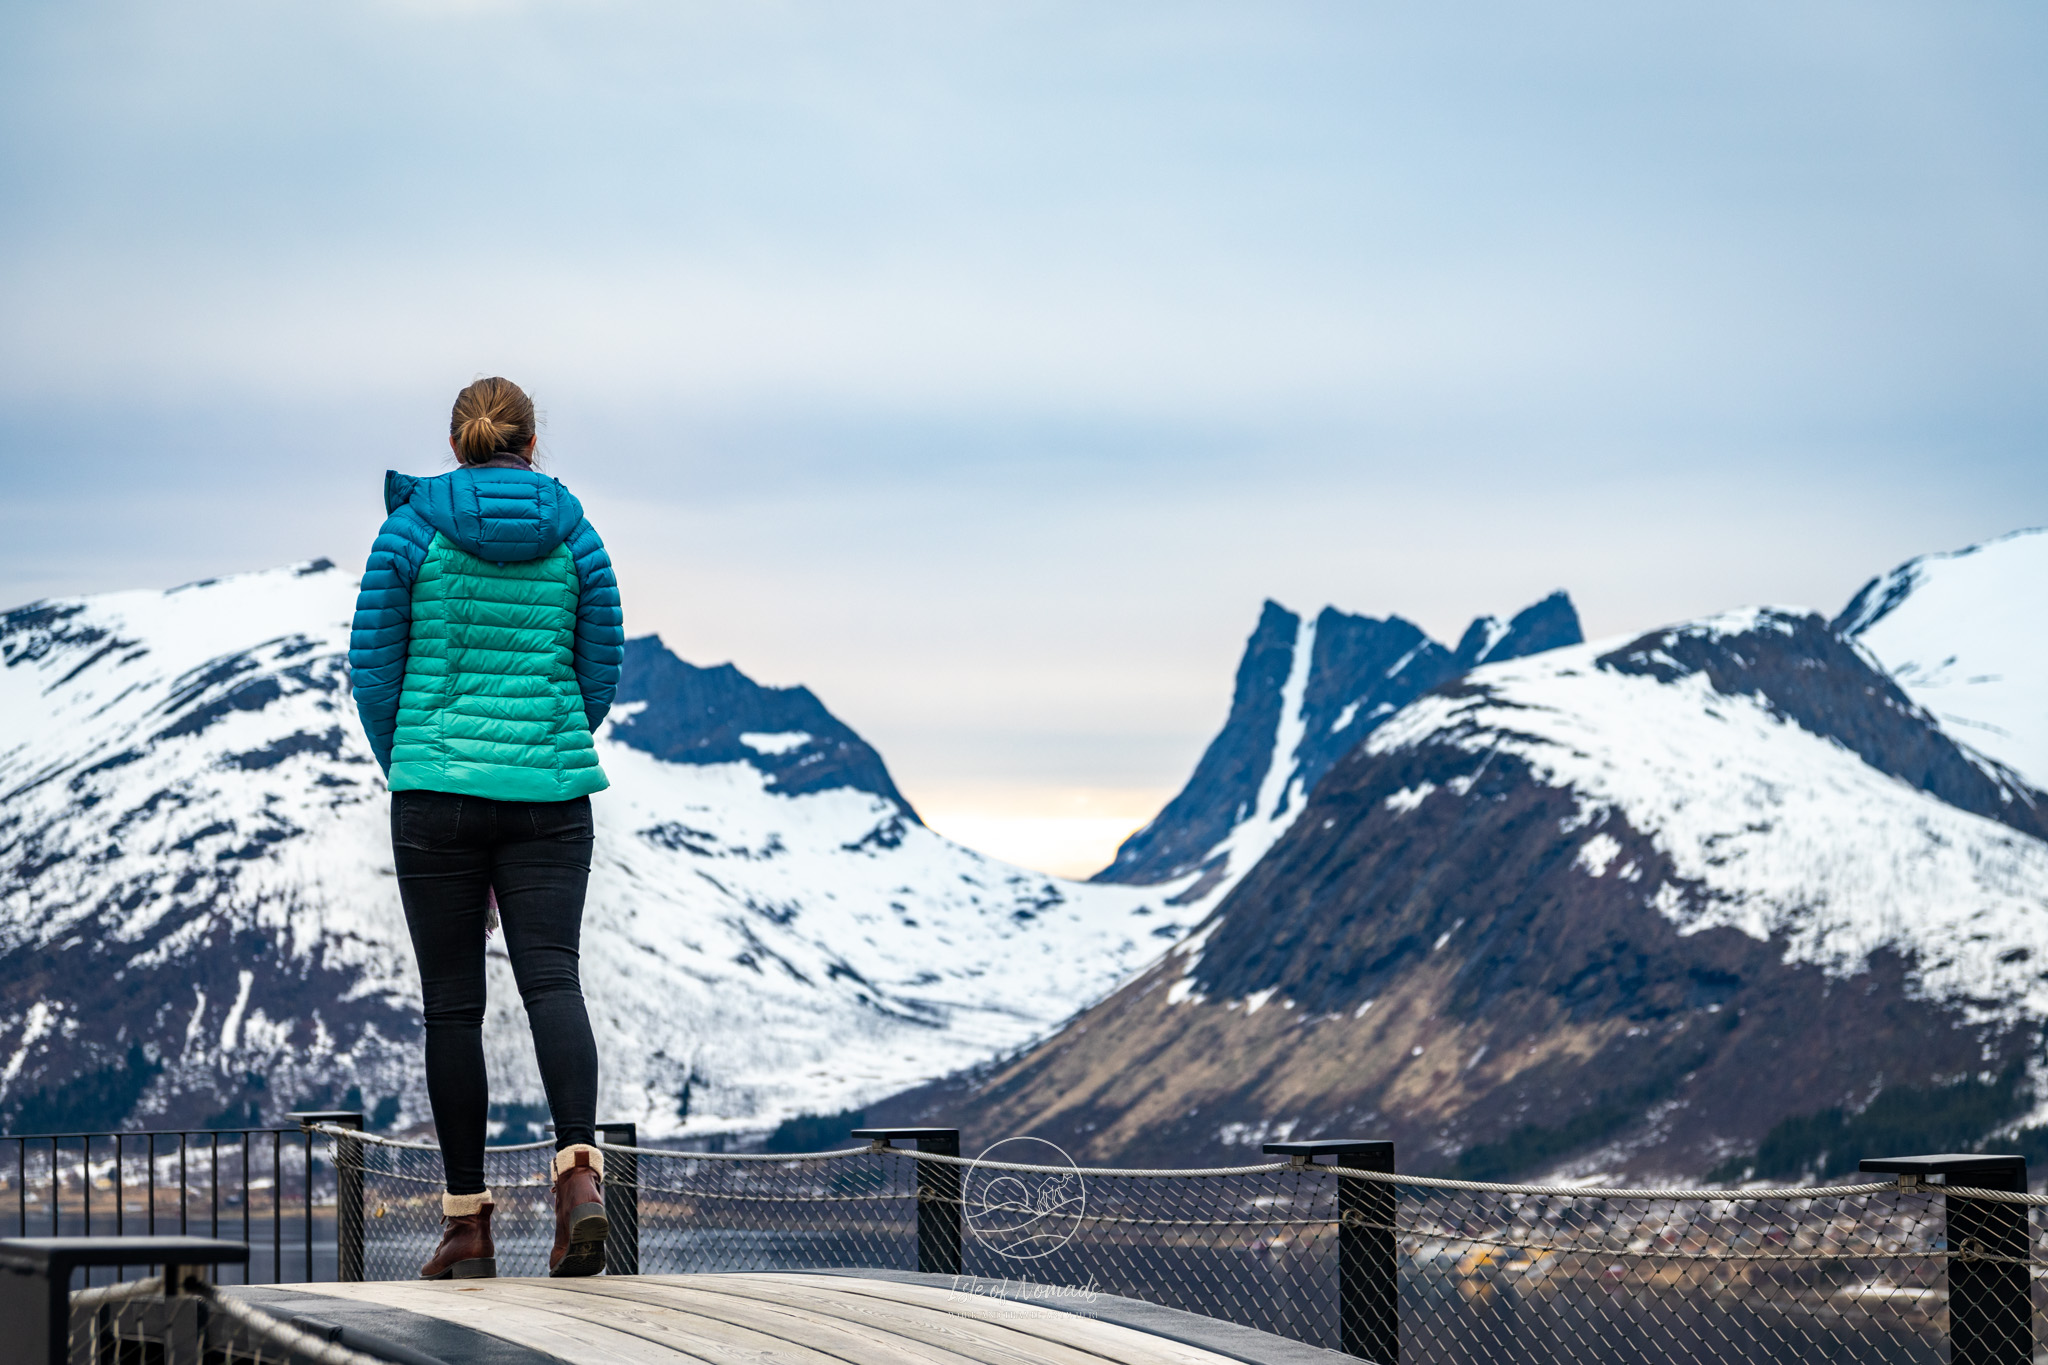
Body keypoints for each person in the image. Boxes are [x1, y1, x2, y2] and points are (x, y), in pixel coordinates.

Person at [348, 377, 624, 1279]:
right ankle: (578, 1176)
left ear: (459, 442)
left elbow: (373, 669)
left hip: (435, 798)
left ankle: (467, 1228)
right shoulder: (577, 537)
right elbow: (600, 665)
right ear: (531, 442)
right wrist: (546, 741)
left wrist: (416, 763)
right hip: (549, 794)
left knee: (453, 1008)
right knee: (554, 983)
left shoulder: (410, 532)